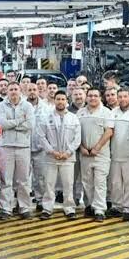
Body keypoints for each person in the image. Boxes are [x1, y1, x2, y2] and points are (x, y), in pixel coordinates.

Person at [37, 91, 81, 220]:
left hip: (68, 157)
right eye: (58, 99)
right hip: (51, 157)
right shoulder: (46, 117)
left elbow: (77, 138)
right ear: (54, 101)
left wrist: (68, 152)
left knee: (68, 184)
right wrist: (52, 151)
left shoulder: (73, 118)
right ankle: (47, 209)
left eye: (63, 99)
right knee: (49, 184)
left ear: (66, 101)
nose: (60, 101)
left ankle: (69, 208)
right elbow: (41, 137)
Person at [0, 82, 35, 220]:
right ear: (7, 91)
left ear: (20, 90)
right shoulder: (1, 106)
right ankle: (6, 208)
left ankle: (24, 208)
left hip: (23, 146)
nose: (13, 91)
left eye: (15, 89)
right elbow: (2, 124)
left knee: (23, 180)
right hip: (6, 146)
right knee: (6, 179)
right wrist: (19, 120)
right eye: (11, 89)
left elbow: (30, 124)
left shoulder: (27, 106)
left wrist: (11, 124)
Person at [76, 88, 114, 222]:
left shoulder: (106, 112)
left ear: (100, 98)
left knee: (100, 182)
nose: (92, 98)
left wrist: (97, 147)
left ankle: (99, 210)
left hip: (101, 154)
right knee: (87, 182)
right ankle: (90, 205)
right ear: (86, 97)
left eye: (95, 96)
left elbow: (109, 132)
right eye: (90, 96)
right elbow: (76, 132)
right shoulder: (80, 113)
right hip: (85, 154)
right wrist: (81, 147)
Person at [106, 88, 129, 221]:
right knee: (115, 183)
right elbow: (109, 131)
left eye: (125, 96)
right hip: (115, 153)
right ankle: (117, 206)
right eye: (120, 97)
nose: (122, 99)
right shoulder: (113, 112)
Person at [26, 83, 50, 211]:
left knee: (41, 176)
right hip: (24, 146)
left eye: (34, 89)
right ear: (26, 91)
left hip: (41, 148)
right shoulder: (21, 106)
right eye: (29, 90)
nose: (32, 92)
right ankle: (22, 202)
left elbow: (49, 128)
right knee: (23, 178)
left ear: (38, 91)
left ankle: (40, 200)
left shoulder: (46, 108)